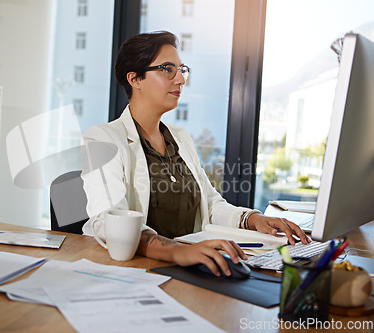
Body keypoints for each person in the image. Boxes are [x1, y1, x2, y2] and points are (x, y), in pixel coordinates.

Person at [81, 31, 309, 277]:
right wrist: (176, 251)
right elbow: (110, 220)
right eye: (168, 69)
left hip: (193, 265)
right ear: (135, 78)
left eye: (182, 69)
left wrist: (252, 219)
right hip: (138, 271)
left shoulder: (180, 137)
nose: (180, 79)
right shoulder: (102, 138)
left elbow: (209, 205)